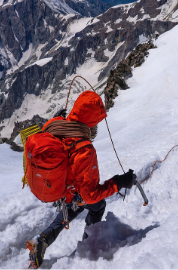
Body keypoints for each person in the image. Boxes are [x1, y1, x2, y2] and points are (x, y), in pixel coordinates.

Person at [30, 91, 136, 268]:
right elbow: (91, 195)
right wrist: (119, 182)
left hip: (61, 189)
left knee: (70, 210)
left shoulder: (55, 124)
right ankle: (88, 243)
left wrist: (58, 118)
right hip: (76, 193)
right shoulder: (84, 150)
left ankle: (43, 239)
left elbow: (47, 130)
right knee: (96, 206)